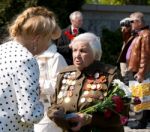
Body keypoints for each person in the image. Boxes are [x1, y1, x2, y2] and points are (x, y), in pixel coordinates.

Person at [47, 32, 129, 132]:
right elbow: (53, 106)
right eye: (74, 50)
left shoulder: (110, 75)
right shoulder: (64, 74)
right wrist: (57, 116)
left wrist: (89, 119)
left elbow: (121, 116)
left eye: (83, 51)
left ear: (95, 53)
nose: (77, 55)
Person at [0, 6, 61, 132]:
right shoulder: (27, 60)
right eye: (49, 39)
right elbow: (30, 115)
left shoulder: (3, 50)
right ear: (37, 39)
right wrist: (37, 98)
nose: (49, 44)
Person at [34, 41, 68, 132]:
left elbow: (61, 86)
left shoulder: (56, 58)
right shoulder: (31, 57)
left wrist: (35, 85)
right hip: (31, 110)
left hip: (49, 110)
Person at [125, 12, 150, 129]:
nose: (130, 24)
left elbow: (145, 55)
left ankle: (141, 121)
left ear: (139, 23)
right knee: (137, 95)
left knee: (141, 96)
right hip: (134, 69)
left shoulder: (145, 35)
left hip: (139, 71)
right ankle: (140, 119)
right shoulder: (138, 34)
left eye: (131, 21)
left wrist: (141, 72)